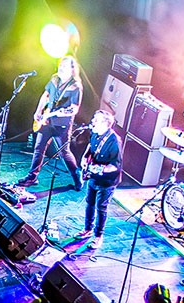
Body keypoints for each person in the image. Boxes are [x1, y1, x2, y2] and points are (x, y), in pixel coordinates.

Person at [21, 55, 84, 187]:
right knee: (39, 148)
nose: (61, 68)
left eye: (65, 66)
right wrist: (38, 111)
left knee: (64, 152)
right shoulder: (54, 79)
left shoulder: (75, 86)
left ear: (72, 69)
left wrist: (60, 112)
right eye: (61, 65)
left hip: (62, 124)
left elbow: (74, 109)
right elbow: (45, 95)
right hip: (47, 121)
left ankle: (76, 176)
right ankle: (32, 177)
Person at [77, 106, 123, 242]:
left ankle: (98, 236)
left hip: (107, 182)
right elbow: (90, 148)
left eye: (96, 120)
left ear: (105, 123)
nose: (92, 122)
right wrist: (84, 158)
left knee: (101, 207)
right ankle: (87, 229)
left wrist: (99, 169)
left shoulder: (115, 141)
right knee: (89, 203)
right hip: (93, 177)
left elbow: (116, 165)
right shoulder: (95, 134)